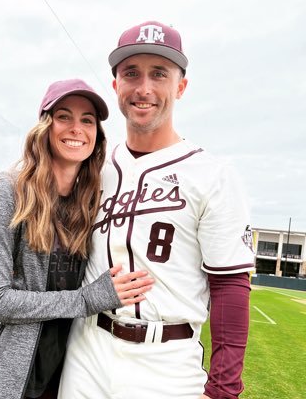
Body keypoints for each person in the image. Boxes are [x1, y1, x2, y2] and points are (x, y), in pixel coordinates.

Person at [58, 21, 255, 399]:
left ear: (180, 86)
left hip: (167, 360)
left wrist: (224, 390)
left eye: (159, 74)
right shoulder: (91, 166)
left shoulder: (213, 175)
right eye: (131, 73)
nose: (143, 88)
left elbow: (230, 286)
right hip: (86, 350)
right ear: (116, 86)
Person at [0, 78, 154, 399]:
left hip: (67, 376)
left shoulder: (93, 200)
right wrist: (88, 299)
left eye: (87, 120)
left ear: (96, 135)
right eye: (64, 116)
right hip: (2, 380)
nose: (77, 128)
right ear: (45, 126)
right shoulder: (9, 190)